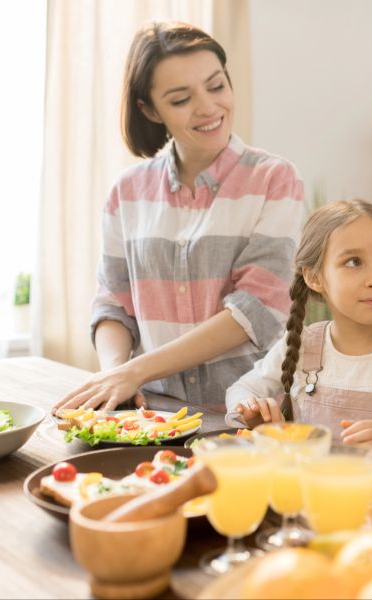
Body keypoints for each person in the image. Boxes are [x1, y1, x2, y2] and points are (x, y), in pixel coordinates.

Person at [53, 22, 304, 416]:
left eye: (216, 86)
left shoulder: (275, 179)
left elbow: (255, 311)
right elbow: (112, 306)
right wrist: (116, 376)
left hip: (247, 419)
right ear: (150, 109)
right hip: (153, 418)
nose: (208, 107)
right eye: (180, 99)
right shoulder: (127, 192)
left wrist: (135, 371)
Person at [225, 199, 372, 466]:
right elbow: (240, 389)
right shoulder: (302, 344)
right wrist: (252, 410)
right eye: (354, 261)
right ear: (314, 278)